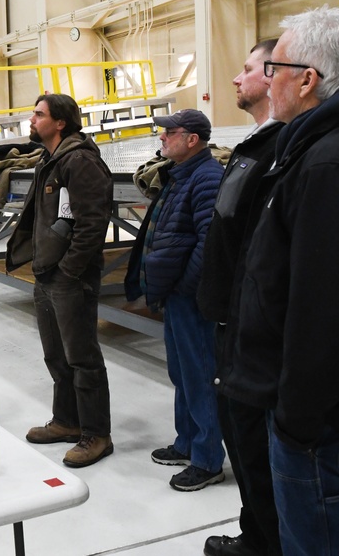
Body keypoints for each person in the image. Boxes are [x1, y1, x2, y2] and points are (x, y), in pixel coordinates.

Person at [221, 6, 339, 555]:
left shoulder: (334, 165)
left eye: (274, 66)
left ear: (307, 80)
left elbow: (331, 312)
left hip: (320, 425)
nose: (265, 79)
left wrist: (297, 422)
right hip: (311, 415)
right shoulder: (314, 153)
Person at [197, 40, 283, 556]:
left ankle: (268, 543)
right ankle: (257, 536)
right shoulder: (257, 146)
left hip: (254, 330)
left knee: (261, 449)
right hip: (233, 324)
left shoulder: (282, 151)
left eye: (247, 69)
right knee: (246, 445)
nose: (236, 78)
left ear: (281, 76)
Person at [6, 93, 115, 468]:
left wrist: (69, 270)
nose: (31, 119)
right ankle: (67, 422)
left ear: (60, 123)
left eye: (39, 114)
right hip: (47, 274)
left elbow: (92, 224)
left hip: (70, 277)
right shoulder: (51, 160)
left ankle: (96, 434)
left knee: (83, 358)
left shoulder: (80, 161)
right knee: (57, 356)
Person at [124, 109, 225, 491]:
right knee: (181, 373)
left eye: (169, 133)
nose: (162, 138)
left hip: (189, 297)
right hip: (175, 294)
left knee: (199, 375)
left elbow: (210, 241)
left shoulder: (207, 177)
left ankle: (207, 459)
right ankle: (186, 441)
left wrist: (184, 283)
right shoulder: (181, 174)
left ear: (193, 139)